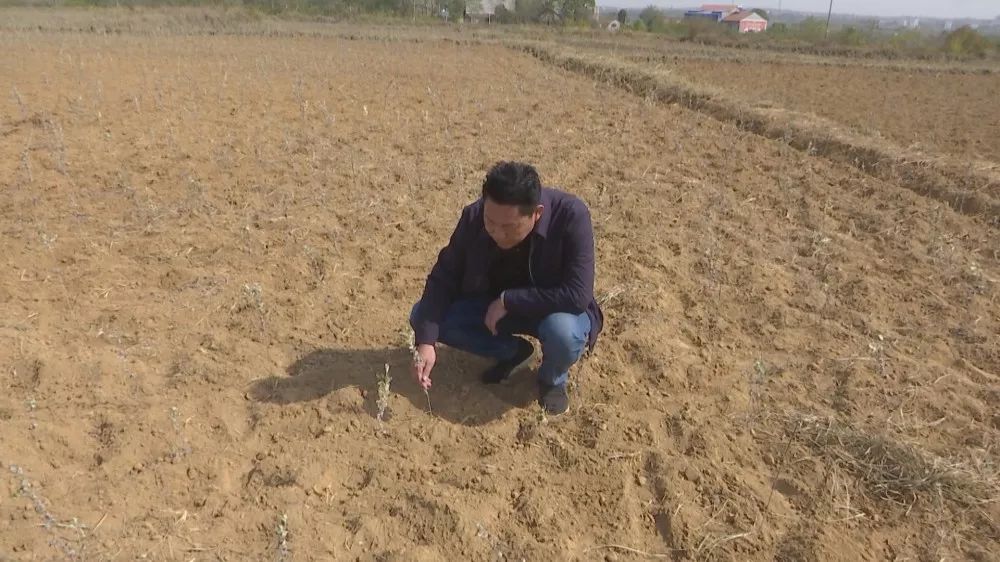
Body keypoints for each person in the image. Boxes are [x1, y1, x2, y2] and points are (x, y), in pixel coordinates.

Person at [408, 161, 603, 415]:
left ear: (537, 213)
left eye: (509, 227)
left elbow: (577, 295)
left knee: (563, 333)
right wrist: (425, 342)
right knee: (423, 317)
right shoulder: (473, 217)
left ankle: (552, 380)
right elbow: (443, 277)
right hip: (494, 310)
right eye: (490, 222)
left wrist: (510, 300)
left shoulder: (571, 215)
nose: (497, 233)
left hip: (554, 310)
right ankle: (513, 352)